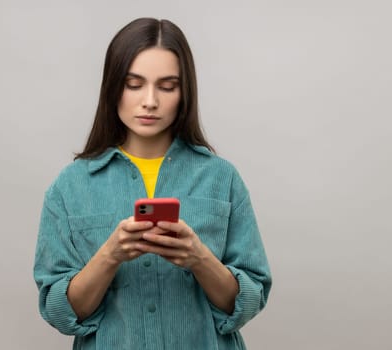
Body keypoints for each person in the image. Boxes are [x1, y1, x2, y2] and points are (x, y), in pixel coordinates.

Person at [34, 17, 272, 350]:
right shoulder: (70, 187)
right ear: (113, 87)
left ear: (184, 91)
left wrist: (198, 258)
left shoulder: (222, 178)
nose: (150, 101)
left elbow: (249, 301)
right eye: (134, 84)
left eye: (167, 85)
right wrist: (110, 255)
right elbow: (59, 312)